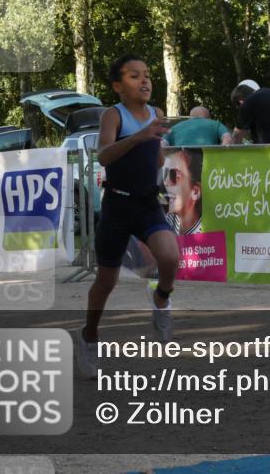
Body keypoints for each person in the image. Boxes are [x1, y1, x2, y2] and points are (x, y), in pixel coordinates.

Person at [76, 55, 176, 378]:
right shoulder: (113, 115)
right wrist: (139, 137)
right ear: (118, 87)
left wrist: (160, 156)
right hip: (117, 207)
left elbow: (156, 154)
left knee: (170, 257)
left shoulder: (157, 114)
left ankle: (160, 299)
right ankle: (89, 335)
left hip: (147, 204)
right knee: (106, 282)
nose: (145, 81)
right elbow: (104, 156)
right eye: (135, 76)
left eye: (147, 75)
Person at [163, 148, 203, 235]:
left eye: (174, 175)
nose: (166, 182)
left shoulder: (209, 232)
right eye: (165, 174)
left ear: (195, 192)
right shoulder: (161, 223)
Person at [164, 106, 233, 147]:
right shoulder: (215, 124)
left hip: (180, 164)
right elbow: (228, 139)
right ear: (208, 118)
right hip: (207, 162)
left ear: (190, 118)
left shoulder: (175, 127)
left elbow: (161, 144)